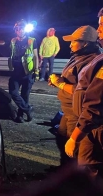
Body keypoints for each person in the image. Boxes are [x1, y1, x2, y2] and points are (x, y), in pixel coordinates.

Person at [49, 25, 101, 170]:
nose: (70, 44)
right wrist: (59, 81)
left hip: (76, 112)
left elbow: (84, 92)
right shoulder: (78, 56)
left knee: (75, 148)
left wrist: (59, 84)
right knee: (61, 138)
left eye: (74, 41)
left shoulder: (91, 61)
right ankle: (64, 170)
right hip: (67, 110)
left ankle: (73, 180)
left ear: (85, 43)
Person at [64, 9, 103, 178]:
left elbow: (95, 102)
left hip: (93, 128)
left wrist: (75, 137)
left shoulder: (95, 59)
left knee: (91, 172)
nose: (99, 30)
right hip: (89, 126)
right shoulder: (97, 60)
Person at [8, 19, 39, 123]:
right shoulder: (13, 41)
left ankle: (20, 116)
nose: (19, 30)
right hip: (16, 71)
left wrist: (36, 71)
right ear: (15, 30)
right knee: (13, 92)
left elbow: (35, 56)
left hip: (27, 72)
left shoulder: (31, 40)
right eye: (17, 29)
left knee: (24, 95)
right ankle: (28, 109)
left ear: (25, 30)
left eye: (21, 28)